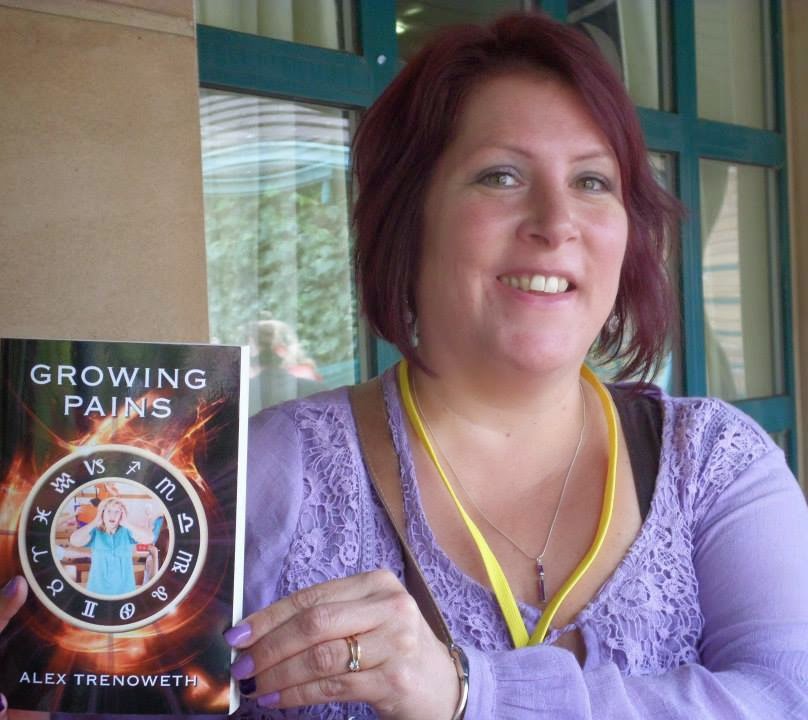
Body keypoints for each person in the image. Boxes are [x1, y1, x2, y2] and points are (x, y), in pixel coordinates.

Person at [2, 11, 807, 719]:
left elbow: (788, 697)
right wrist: (42, 683)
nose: (557, 221)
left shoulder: (715, 464)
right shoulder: (267, 475)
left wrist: (467, 692)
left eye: (593, 181)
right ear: (408, 217)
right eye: (501, 175)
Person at [68, 497, 153, 595]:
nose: (112, 515)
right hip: (97, 591)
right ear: (102, 513)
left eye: (117, 512)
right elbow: (74, 541)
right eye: (108, 511)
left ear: (122, 515)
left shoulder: (127, 531)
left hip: (125, 591)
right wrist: (95, 522)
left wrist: (126, 523)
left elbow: (149, 538)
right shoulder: (95, 532)